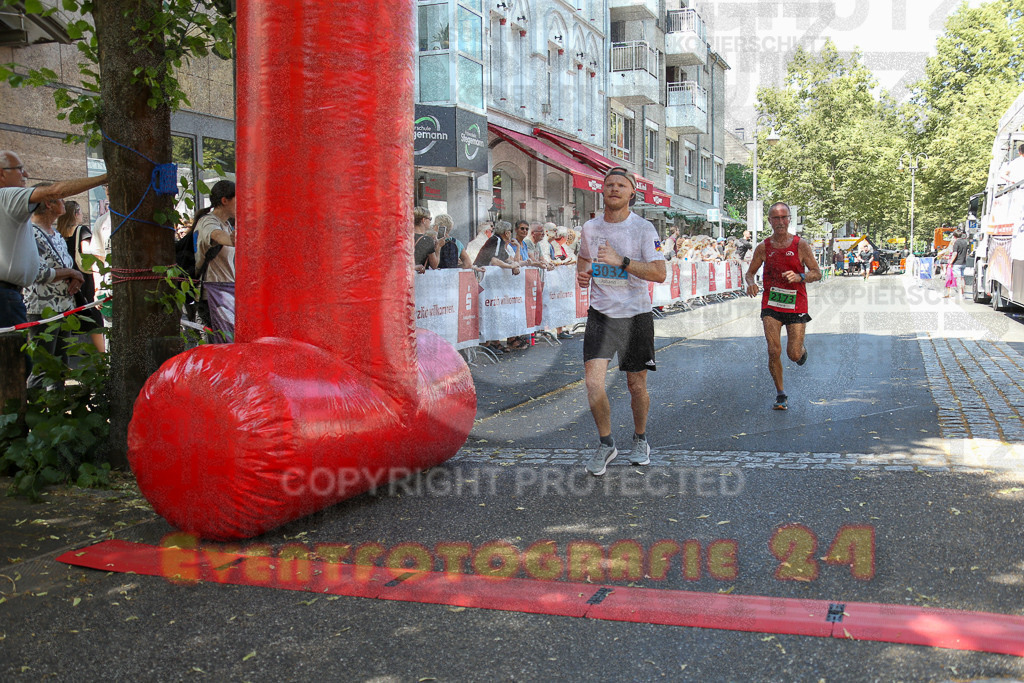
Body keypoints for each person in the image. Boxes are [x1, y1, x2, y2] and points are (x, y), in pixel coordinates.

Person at [576, 167, 667, 475]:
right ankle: (606, 444)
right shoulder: (590, 228)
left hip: (635, 315)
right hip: (600, 315)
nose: (614, 189)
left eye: (621, 185)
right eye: (609, 184)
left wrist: (622, 262)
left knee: (635, 384)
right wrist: (583, 275)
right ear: (602, 190)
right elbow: (584, 258)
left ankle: (640, 439)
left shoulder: (643, 229)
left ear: (631, 193)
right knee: (593, 384)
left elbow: (659, 273)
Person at [744, 202, 821, 411]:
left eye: (783, 217)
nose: (780, 222)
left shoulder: (800, 245)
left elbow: (817, 272)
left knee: (793, 354)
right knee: (773, 350)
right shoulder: (763, 247)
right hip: (772, 303)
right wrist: (751, 283)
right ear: (769, 221)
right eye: (775, 218)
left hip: (796, 303)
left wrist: (800, 276)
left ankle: (801, 351)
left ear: (789, 220)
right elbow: (750, 273)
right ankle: (781, 394)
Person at [23, 186, 87, 387]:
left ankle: (57, 410)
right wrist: (70, 273)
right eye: (60, 199)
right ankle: (37, 412)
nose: (64, 203)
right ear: (48, 204)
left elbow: (66, 265)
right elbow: (37, 272)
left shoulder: (56, 234)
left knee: (60, 366)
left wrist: (75, 277)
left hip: (64, 308)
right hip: (42, 310)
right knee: (42, 368)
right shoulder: (29, 233)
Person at [185, 180, 236, 328]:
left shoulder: (227, 224)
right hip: (211, 297)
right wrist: (232, 240)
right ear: (224, 200)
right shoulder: (207, 221)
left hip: (225, 294)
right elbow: (216, 235)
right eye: (237, 200)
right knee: (218, 344)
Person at [57, 200, 105, 353]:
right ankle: (103, 355)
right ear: (76, 214)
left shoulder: (59, 232)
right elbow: (87, 254)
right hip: (84, 277)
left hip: (69, 277)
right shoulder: (82, 230)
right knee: (95, 318)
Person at [412, 206, 436, 273]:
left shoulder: (405, 238)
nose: (430, 222)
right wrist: (438, 247)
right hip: (420, 279)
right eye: (430, 219)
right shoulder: (427, 240)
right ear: (423, 220)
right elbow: (435, 265)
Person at [948, 229, 970, 299]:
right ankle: (963, 294)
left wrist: (951, 262)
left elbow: (955, 253)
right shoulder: (965, 242)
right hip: (963, 263)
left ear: (954, 236)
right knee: (962, 278)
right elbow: (967, 253)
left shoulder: (956, 243)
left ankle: (959, 295)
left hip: (957, 263)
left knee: (957, 279)